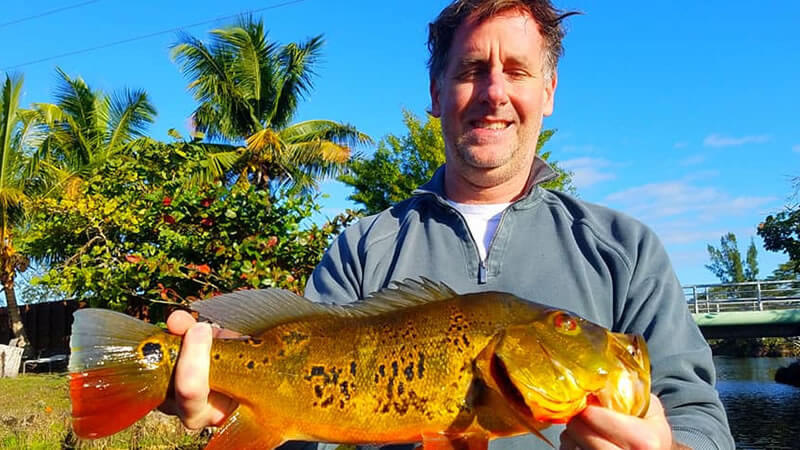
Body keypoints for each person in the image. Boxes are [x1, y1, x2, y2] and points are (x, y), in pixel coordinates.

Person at [163, 1, 735, 449]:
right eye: (471, 70)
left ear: (548, 91)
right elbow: (305, 429)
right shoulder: (363, 248)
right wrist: (232, 406)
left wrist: (668, 447)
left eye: (517, 70)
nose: (494, 93)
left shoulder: (626, 251)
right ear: (436, 93)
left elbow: (703, 420)